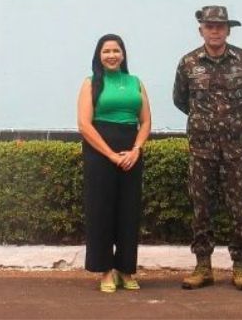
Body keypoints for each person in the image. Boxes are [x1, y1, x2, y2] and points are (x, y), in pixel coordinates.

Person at [172, 5, 242, 291]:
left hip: (236, 148)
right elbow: (180, 100)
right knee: (202, 209)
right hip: (201, 149)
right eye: (209, 26)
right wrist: (207, 124)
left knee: (239, 208)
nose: (215, 31)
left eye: (220, 26)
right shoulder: (188, 63)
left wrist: (235, 122)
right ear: (201, 29)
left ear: (228, 30)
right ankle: (203, 267)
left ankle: (240, 267)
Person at [77, 34, 151, 292]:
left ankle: (126, 270)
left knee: (129, 213)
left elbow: (146, 122)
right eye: (106, 51)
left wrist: (136, 150)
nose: (111, 55)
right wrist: (110, 155)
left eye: (116, 50)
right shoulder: (90, 84)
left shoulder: (136, 82)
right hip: (100, 153)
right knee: (102, 212)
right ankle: (106, 271)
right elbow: (84, 125)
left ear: (123, 54)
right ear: (99, 55)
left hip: (131, 154)